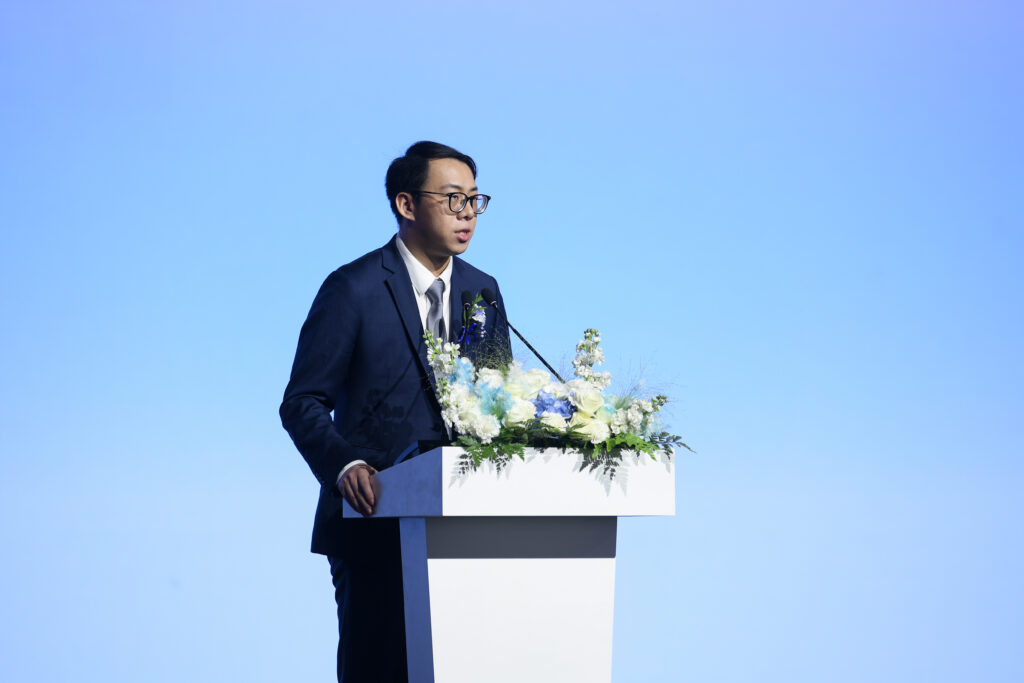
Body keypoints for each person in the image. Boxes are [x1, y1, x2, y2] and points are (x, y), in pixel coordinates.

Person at [279, 141, 511, 683]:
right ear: (406, 204)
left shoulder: (483, 291)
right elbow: (302, 402)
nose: (468, 213)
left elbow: (499, 402)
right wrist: (344, 466)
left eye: (475, 200)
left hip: (467, 528)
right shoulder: (353, 288)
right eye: (453, 199)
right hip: (374, 525)